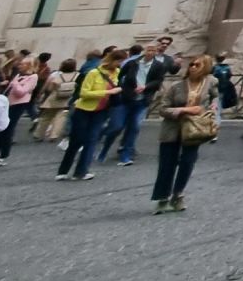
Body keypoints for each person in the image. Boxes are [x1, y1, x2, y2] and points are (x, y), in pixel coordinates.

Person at [152, 54, 219, 213]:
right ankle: (162, 198)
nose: (193, 67)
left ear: (206, 68)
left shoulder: (211, 82)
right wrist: (182, 110)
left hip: (195, 129)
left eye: (197, 65)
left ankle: (178, 194)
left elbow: (215, 98)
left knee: (187, 163)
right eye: (191, 65)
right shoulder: (176, 86)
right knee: (166, 164)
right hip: (172, 129)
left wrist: (212, 108)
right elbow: (162, 109)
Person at [101, 37, 175, 166]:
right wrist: (121, 89)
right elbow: (120, 76)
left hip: (142, 101)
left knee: (134, 127)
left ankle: (126, 155)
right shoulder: (132, 63)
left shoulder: (159, 65)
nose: (151, 52)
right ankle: (105, 148)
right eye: (149, 50)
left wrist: (146, 87)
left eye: (153, 50)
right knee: (116, 127)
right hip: (126, 99)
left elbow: (158, 81)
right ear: (144, 51)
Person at [57, 49, 122, 180]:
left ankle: (81, 172)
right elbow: (84, 93)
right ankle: (63, 171)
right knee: (76, 140)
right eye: (119, 61)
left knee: (91, 141)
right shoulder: (93, 73)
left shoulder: (118, 73)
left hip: (102, 111)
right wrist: (108, 92)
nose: (120, 64)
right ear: (112, 60)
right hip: (84, 110)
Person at [0, 58, 38, 164]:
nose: (20, 66)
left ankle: (2, 155)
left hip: (18, 104)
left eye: (23, 64)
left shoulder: (33, 77)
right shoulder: (19, 74)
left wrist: (15, 83)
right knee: (2, 128)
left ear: (30, 65)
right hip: (8, 102)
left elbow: (21, 92)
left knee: (6, 129)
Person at [34, 58, 78, 142]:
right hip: (67, 98)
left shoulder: (57, 75)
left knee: (46, 117)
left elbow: (50, 88)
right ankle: (54, 135)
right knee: (60, 118)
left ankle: (39, 134)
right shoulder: (76, 75)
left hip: (54, 98)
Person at [211, 54, 237, 133]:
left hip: (216, 89)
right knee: (219, 108)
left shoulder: (214, 68)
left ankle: (215, 126)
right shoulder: (227, 67)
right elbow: (229, 76)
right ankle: (217, 123)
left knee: (216, 109)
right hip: (226, 89)